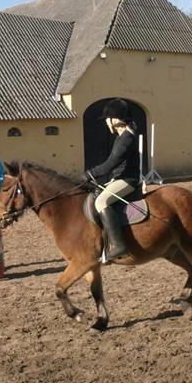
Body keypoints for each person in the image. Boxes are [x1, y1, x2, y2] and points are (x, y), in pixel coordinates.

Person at [82, 98, 140, 262]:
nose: (106, 122)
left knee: (101, 202)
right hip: (118, 178)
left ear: (115, 119)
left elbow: (111, 163)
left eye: (107, 118)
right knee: (95, 196)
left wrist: (90, 174)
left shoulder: (127, 138)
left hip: (128, 180)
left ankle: (118, 245)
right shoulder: (121, 137)